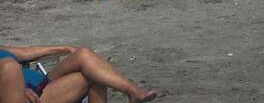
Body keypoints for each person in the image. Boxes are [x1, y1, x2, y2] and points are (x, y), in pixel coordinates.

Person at [0, 45, 157, 102]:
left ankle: (132, 91)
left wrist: (64, 48)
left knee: (85, 56)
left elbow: (26, 52)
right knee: (10, 68)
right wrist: (15, 89)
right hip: (26, 96)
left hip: (44, 86)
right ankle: (133, 92)